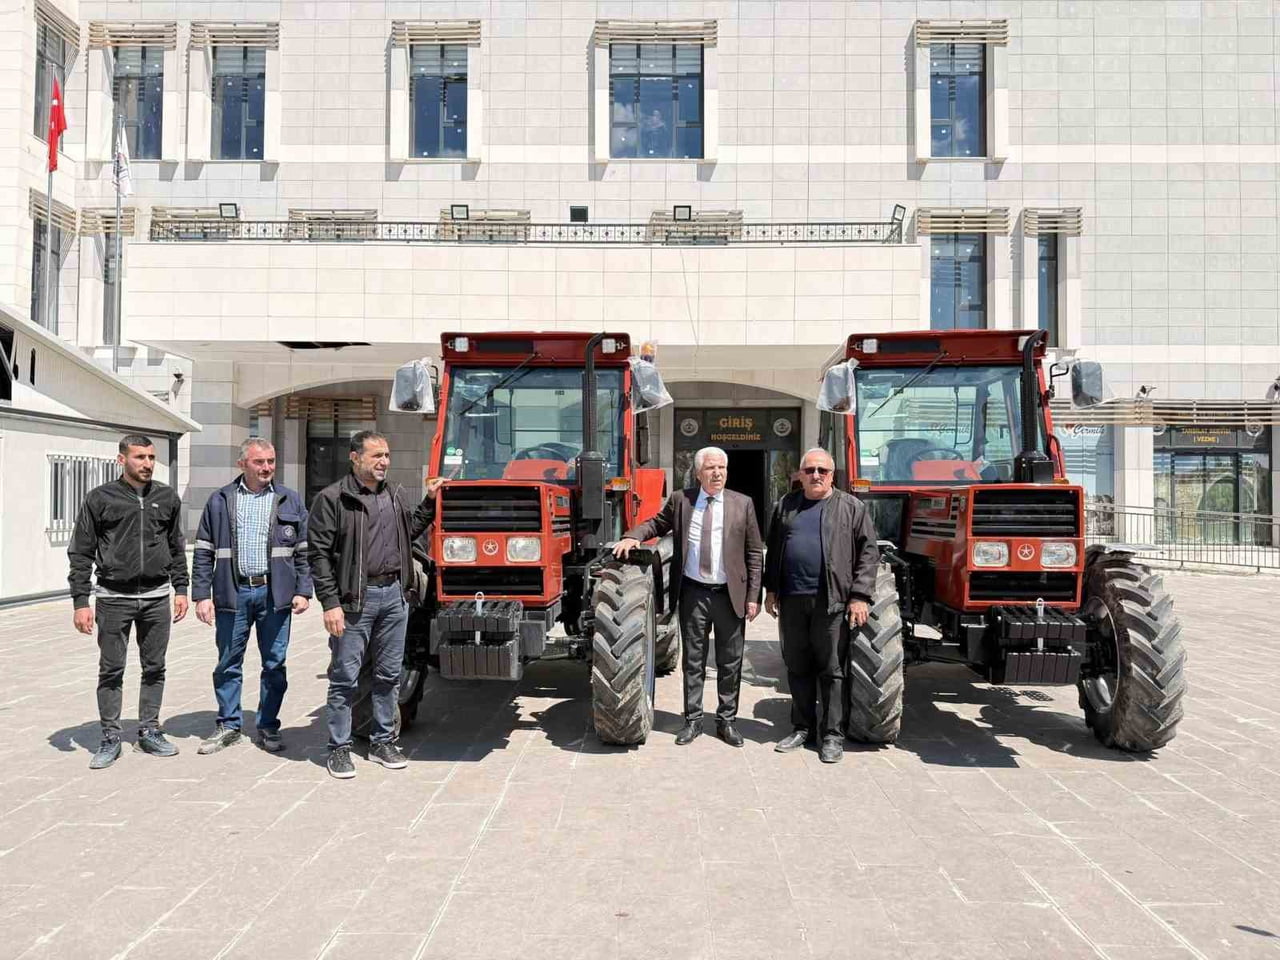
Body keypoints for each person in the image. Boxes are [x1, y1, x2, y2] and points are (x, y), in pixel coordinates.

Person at [308, 431, 443, 779]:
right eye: (376, 455)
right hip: (355, 601)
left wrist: (429, 501)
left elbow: (408, 531)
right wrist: (330, 603)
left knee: (388, 675)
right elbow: (318, 556)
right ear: (355, 458)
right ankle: (339, 748)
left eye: (386, 455)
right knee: (345, 678)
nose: (384, 462)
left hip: (394, 598)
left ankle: (384, 741)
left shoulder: (394, 495)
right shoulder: (332, 498)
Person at [614, 446, 763, 747]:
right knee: (693, 661)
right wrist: (633, 535)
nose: (717, 473)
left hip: (729, 594)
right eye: (710, 468)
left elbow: (754, 553)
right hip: (694, 592)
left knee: (729, 661)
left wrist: (753, 595)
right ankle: (693, 720)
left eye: (721, 467)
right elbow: (657, 524)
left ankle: (726, 721)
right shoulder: (682, 500)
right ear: (698, 473)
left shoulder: (742, 504)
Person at [68, 434, 189, 769]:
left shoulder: (166, 497)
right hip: (113, 598)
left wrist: (181, 589)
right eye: (140, 457)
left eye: (151, 457)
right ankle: (110, 736)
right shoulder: (100, 498)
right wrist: (81, 600)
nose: (147, 464)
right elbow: (81, 552)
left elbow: (177, 547)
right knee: (111, 669)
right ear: (122, 460)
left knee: (155, 667)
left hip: (155, 598)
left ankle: (149, 730)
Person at [191, 437, 313, 755]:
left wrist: (303, 590)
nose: (267, 468)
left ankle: (268, 726)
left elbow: (303, 551)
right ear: (242, 463)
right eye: (259, 462)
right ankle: (229, 725)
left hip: (275, 595)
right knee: (228, 662)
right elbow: (203, 550)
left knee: (275, 663)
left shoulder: (290, 499)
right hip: (234, 594)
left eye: (271, 461)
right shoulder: (220, 500)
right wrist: (201, 595)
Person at [764, 447, 879, 763]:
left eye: (822, 471)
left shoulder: (851, 508)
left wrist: (859, 595)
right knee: (797, 667)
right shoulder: (786, 506)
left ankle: (831, 736)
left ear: (832, 475)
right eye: (810, 470)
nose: (816, 475)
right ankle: (802, 728)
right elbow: (773, 549)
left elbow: (869, 554)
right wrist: (770, 591)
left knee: (831, 670)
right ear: (800, 474)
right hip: (792, 600)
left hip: (832, 602)